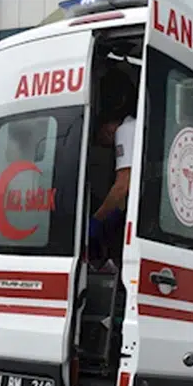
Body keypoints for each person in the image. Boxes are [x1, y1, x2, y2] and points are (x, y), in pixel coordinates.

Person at [88, 68, 140, 252]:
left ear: (107, 128)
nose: (105, 144)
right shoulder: (137, 125)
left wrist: (97, 220)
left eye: (102, 139)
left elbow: (122, 186)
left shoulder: (125, 130)